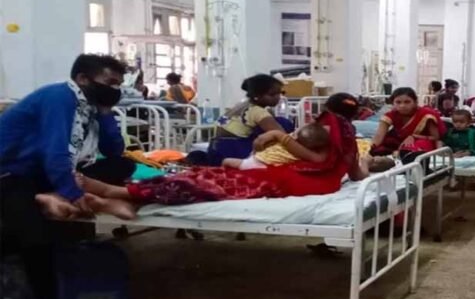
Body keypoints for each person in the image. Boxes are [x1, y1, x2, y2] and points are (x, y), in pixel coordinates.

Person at [0, 54, 135, 299]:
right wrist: (75, 195)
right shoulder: (59, 98)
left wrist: (105, 112)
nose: (115, 89)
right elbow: (55, 153)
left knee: (123, 165)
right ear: (83, 79)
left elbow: (114, 150)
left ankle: (53, 197)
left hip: (42, 175)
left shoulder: (89, 107)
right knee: (34, 236)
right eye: (109, 82)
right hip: (12, 173)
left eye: (118, 85)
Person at [67, 93, 371, 209]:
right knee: (204, 174)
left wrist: (280, 135)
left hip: (278, 182)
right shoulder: (344, 139)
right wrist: (366, 165)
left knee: (204, 183)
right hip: (276, 176)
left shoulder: (333, 137)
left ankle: (120, 193)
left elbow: (320, 159)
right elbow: (355, 173)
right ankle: (126, 194)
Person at [192, 74, 295, 166]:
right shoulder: (257, 111)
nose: (278, 97)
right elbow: (283, 137)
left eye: (280, 93)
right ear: (257, 96)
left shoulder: (241, 105)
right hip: (233, 151)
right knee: (283, 124)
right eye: (272, 94)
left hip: (214, 150)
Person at [222, 123, 330, 170]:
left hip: (258, 164)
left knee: (226, 161)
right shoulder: (302, 146)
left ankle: (221, 172)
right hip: (260, 160)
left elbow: (319, 158)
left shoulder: (292, 143)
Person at [371, 87, 444, 156]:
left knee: (415, 147)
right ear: (393, 103)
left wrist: (414, 137)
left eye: (407, 102)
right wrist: (369, 148)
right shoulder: (390, 115)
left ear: (415, 102)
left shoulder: (426, 115)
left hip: (421, 143)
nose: (402, 105)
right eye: (398, 102)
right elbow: (379, 137)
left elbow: (436, 137)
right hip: (398, 143)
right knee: (379, 149)